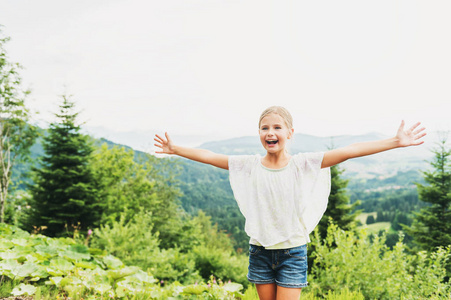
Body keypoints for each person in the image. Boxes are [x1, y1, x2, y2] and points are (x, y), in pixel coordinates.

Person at [154, 106, 426, 300]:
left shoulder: (303, 164)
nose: (270, 132)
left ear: (289, 132)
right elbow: (209, 156)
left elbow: (348, 151)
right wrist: (175, 149)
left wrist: (395, 142)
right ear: (259, 134)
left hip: (292, 252)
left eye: (276, 127)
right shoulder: (248, 165)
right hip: (259, 251)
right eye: (264, 128)